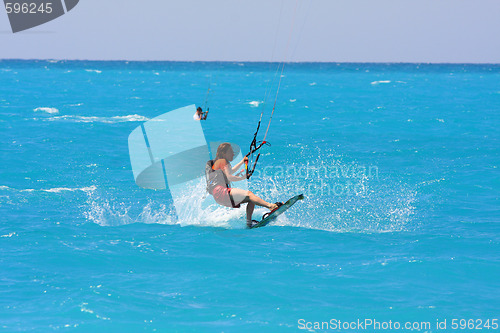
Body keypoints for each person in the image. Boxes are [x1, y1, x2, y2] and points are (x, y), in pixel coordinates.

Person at [205, 143, 281, 227]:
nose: (233, 154)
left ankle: (249, 224)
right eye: (231, 152)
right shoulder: (223, 161)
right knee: (249, 194)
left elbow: (231, 171)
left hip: (218, 196)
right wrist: (243, 177)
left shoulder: (219, 162)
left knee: (252, 199)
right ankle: (270, 206)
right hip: (221, 191)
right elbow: (229, 176)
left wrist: (241, 162)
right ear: (224, 153)